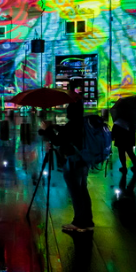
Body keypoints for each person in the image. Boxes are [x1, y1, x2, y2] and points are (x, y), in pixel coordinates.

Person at [39, 99, 94, 233]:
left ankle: (79, 223)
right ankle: (88, 221)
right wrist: (55, 126)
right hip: (84, 161)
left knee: (75, 192)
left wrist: (47, 130)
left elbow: (58, 140)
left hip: (73, 162)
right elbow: (66, 133)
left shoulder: (73, 125)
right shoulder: (82, 123)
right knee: (82, 190)